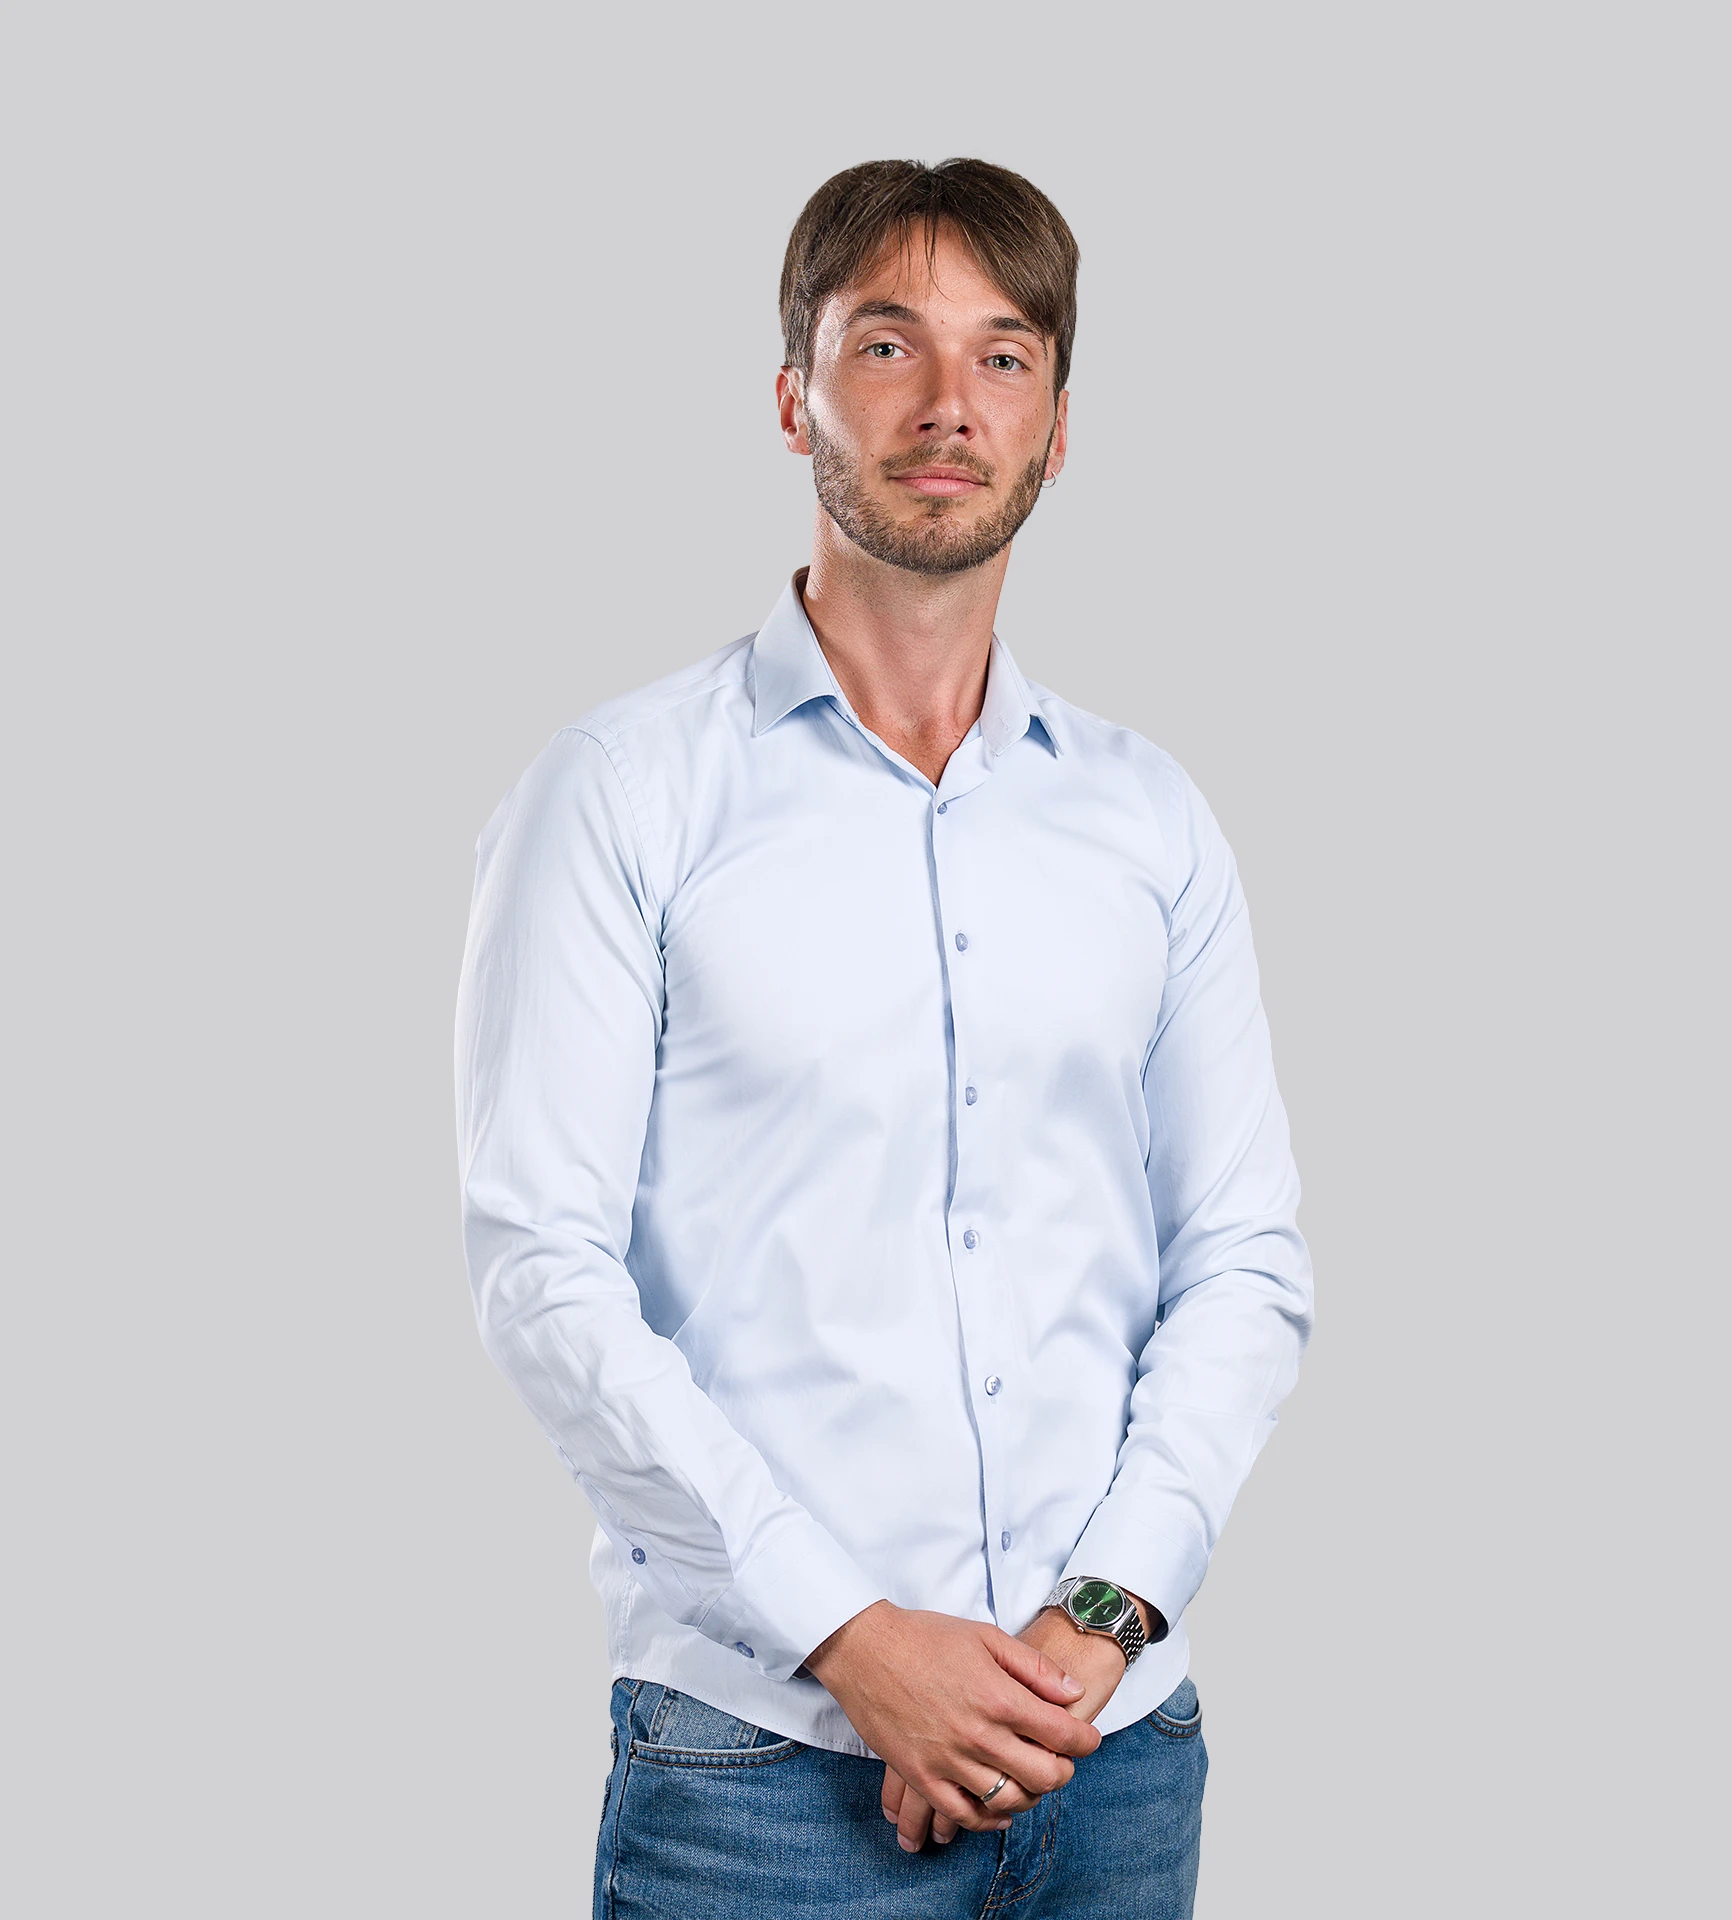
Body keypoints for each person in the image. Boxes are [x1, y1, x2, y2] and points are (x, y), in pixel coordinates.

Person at [455, 157, 1312, 1919]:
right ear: (793, 397)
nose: (946, 406)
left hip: (1117, 1764)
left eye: (1005, 358)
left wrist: (1100, 1619)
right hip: (766, 1788)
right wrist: (854, 1639)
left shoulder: (1150, 823)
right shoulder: (624, 796)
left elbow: (1244, 1258)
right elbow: (544, 1272)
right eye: (887, 346)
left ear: (1061, 425)